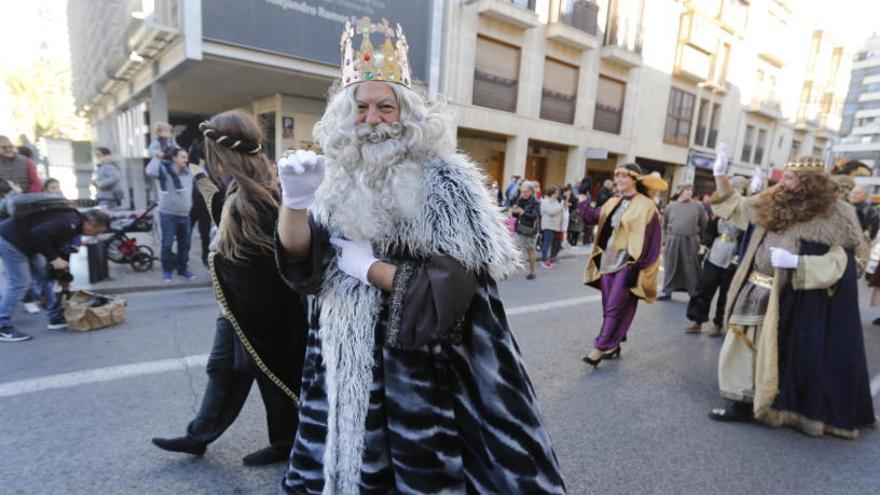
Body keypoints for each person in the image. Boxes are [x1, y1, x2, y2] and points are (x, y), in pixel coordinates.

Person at [275, 18, 565, 494]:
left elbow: (454, 291)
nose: (372, 119)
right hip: (340, 352)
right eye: (361, 107)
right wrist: (294, 202)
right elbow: (300, 268)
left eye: (385, 106)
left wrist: (368, 269)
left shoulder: (446, 180)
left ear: (406, 113)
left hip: (419, 368)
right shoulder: (330, 176)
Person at [152, 111, 308, 466]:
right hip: (237, 308)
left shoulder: (258, 197)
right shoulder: (245, 187)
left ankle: (285, 442)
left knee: (270, 371)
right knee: (223, 369)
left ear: (221, 152)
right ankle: (198, 436)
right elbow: (222, 212)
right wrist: (201, 179)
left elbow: (262, 266)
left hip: (260, 310)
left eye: (209, 151)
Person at [707, 152, 876, 438]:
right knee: (741, 344)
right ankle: (740, 401)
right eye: (784, 175)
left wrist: (798, 263)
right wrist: (720, 176)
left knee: (775, 351)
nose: (783, 181)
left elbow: (844, 261)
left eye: (791, 177)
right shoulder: (771, 200)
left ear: (809, 183)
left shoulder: (836, 213)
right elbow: (736, 209)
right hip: (753, 285)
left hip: (791, 296)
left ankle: (770, 403)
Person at [578, 163, 665, 366]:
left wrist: (641, 265)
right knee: (609, 307)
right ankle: (613, 344)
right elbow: (591, 217)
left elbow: (653, 238)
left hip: (628, 264)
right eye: (617, 176)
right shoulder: (613, 201)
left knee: (615, 308)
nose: (619, 180)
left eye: (623, 176)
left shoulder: (646, 204)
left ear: (635, 179)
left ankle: (598, 348)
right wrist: (582, 197)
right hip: (608, 260)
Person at [0, 207, 110, 341]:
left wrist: (62, 276)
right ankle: (2, 326)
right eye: (95, 232)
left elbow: (60, 251)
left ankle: (55, 317)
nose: (93, 235)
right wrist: (53, 258)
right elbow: (38, 233)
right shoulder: (68, 222)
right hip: (11, 240)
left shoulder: (74, 226)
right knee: (20, 283)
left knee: (46, 276)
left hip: (28, 244)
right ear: (90, 223)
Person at [684, 176, 748, 336]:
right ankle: (697, 320)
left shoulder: (746, 211)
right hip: (716, 253)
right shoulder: (721, 207)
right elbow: (710, 230)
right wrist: (703, 248)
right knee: (704, 288)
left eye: (736, 188)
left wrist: (738, 257)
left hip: (732, 254)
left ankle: (719, 323)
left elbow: (747, 238)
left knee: (726, 294)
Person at [145, 147, 196, 282]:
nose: (186, 160)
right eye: (183, 157)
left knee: (184, 244)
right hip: (168, 214)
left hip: (185, 215)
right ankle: (167, 271)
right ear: (174, 158)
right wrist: (157, 157)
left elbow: (205, 176)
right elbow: (150, 171)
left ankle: (183, 269)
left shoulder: (189, 172)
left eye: (186, 157)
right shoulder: (163, 171)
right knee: (167, 245)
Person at [658, 184, 707, 300]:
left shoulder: (698, 206)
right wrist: (664, 240)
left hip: (691, 240)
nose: (690, 192)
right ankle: (667, 291)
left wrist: (700, 239)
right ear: (681, 192)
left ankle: (692, 291)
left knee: (690, 266)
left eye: (691, 190)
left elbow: (703, 223)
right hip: (673, 240)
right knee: (671, 265)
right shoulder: (671, 206)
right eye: (687, 190)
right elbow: (664, 225)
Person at [187, 139, 212, 268]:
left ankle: (205, 258)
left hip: (205, 208)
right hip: (190, 208)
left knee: (205, 235)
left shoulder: (210, 170)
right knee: (186, 233)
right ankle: (183, 259)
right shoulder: (190, 169)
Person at [511, 180, 542, 279]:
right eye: (522, 191)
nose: (523, 194)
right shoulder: (520, 199)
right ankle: (509, 270)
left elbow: (535, 216)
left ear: (531, 191)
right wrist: (514, 211)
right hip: (520, 228)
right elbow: (516, 214)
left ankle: (532, 271)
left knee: (530, 250)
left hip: (530, 230)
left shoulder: (535, 202)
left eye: (525, 192)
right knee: (514, 248)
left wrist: (523, 212)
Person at [147, 122, 184, 193]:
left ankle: (178, 186)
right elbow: (151, 150)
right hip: (161, 161)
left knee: (175, 172)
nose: (169, 133)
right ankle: (163, 188)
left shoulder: (170, 141)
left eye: (169, 131)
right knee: (163, 173)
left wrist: (181, 150)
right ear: (159, 132)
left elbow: (176, 146)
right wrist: (157, 153)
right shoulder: (157, 142)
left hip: (169, 160)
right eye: (167, 131)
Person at [540, 185, 564, 267]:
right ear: (551, 193)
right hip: (548, 225)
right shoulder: (545, 201)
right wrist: (561, 206)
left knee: (550, 244)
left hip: (555, 226)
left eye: (558, 193)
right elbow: (551, 212)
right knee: (546, 244)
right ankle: (544, 261)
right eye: (556, 193)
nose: (557, 195)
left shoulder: (556, 201)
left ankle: (547, 260)